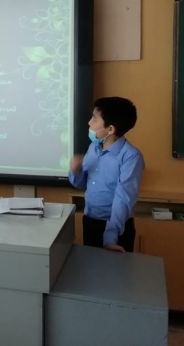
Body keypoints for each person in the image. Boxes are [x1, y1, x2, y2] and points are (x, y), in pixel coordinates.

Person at [69, 97, 144, 253]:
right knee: (90, 266)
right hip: (90, 221)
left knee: (114, 268)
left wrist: (111, 237)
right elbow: (81, 184)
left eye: (94, 119)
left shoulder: (131, 156)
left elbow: (123, 198)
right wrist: (76, 171)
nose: (89, 122)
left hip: (115, 227)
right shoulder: (93, 147)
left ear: (110, 129)